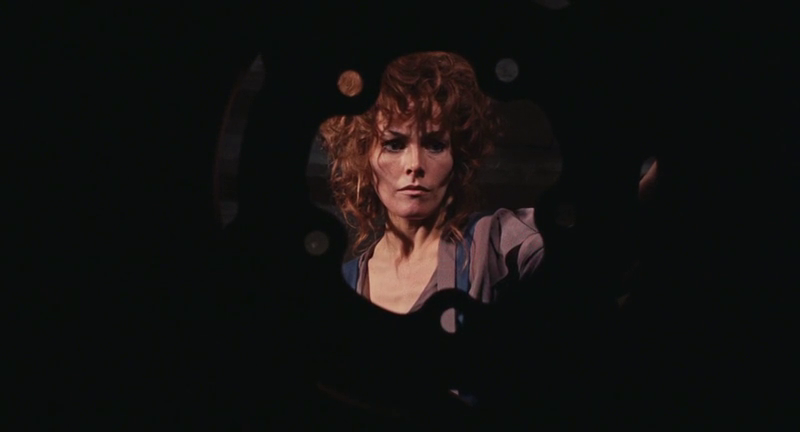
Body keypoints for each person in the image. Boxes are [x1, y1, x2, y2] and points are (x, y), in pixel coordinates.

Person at [319, 51, 545, 332]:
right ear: (363, 156)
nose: (415, 164)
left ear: (457, 158)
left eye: (435, 145)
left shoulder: (498, 243)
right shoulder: (345, 282)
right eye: (394, 144)